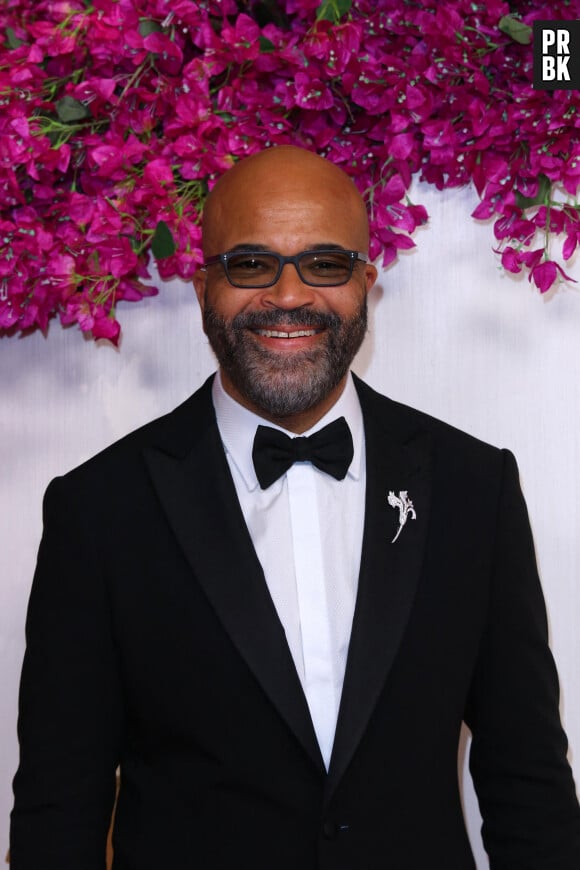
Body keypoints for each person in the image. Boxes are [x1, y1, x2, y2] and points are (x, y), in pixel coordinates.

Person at [10, 145, 580, 869]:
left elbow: (527, 780)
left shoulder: (474, 486)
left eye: (325, 264)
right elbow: (59, 808)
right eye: (251, 264)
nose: (288, 296)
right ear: (203, 288)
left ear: (366, 283)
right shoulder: (99, 510)